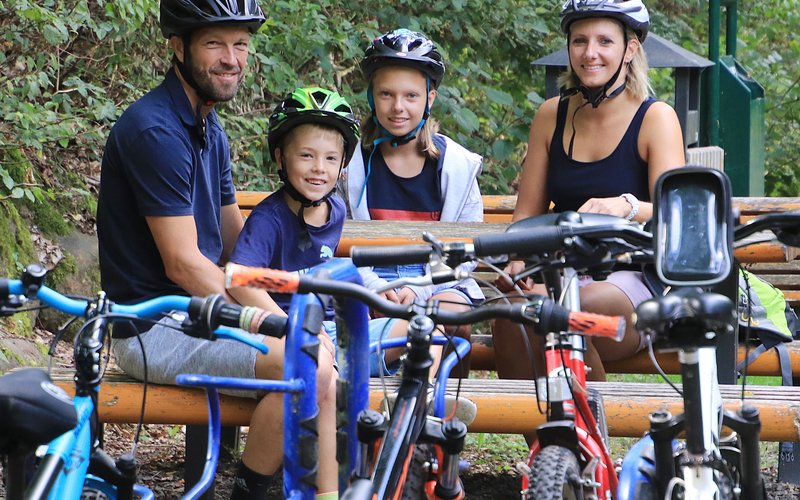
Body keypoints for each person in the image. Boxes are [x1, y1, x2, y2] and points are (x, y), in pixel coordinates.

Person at [97, 2, 337, 498]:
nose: (232, 58)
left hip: (200, 313)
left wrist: (299, 288)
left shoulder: (211, 129)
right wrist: (280, 324)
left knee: (331, 355)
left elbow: (236, 247)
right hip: (151, 326)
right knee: (307, 362)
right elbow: (184, 264)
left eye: (241, 45)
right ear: (177, 47)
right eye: (215, 44)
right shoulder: (156, 131)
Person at [492, 0, 686, 383]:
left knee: (563, 314)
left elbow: (676, 211)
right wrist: (517, 259)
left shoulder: (655, 118)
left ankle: (591, 437)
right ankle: (550, 444)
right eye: (579, 41)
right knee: (509, 315)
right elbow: (526, 217)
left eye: (604, 41)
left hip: (632, 281)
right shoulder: (552, 115)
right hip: (558, 272)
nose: (590, 53)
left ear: (630, 49)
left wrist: (626, 206)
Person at [340, 28, 484, 376]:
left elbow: (466, 254)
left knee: (445, 314)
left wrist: (418, 292)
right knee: (348, 309)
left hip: (437, 280)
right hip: (368, 277)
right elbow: (337, 243)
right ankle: (375, 410)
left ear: (429, 98)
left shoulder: (456, 167)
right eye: (386, 94)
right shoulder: (346, 165)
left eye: (410, 95)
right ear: (372, 97)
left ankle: (429, 413)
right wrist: (377, 288)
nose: (398, 107)